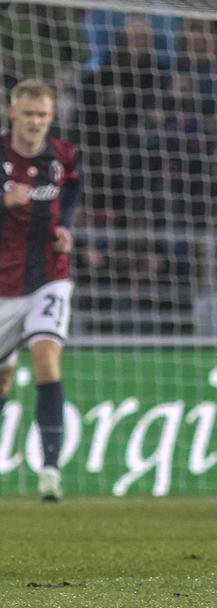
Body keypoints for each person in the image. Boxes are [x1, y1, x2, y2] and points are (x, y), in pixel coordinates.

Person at [0, 79, 82, 502]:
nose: (34, 122)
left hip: (50, 275)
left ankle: (50, 470)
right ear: (12, 113)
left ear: (50, 117)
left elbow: (72, 186)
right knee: (4, 378)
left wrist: (65, 226)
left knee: (47, 359)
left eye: (42, 115)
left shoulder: (62, 155)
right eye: (28, 114)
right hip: (2, 284)